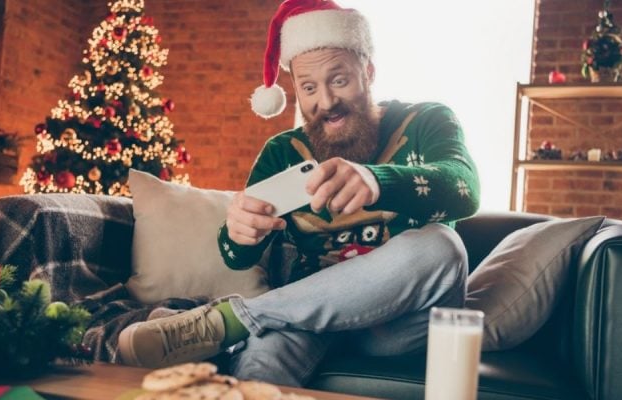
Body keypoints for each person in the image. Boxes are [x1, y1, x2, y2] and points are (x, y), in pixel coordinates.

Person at [118, 0, 480, 386]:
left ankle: (236, 319)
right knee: (259, 374)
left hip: (400, 327)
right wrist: (238, 232)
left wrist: (378, 181)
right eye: (309, 87)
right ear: (295, 90)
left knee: (443, 245)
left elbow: (465, 187)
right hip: (305, 320)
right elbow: (236, 258)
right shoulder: (281, 152)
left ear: (369, 72)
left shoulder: (427, 120)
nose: (326, 102)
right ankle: (247, 323)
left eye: (339, 80)